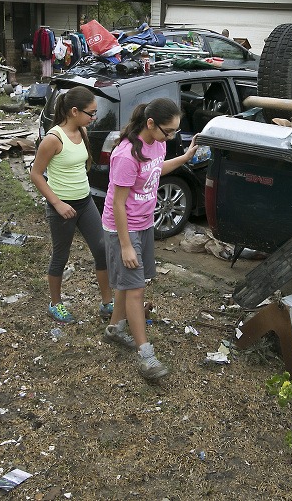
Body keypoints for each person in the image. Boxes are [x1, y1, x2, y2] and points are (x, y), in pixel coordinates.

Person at [101, 98, 198, 380]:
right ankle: (146, 356)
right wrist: (126, 245)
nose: (171, 136)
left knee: (129, 282)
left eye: (174, 132)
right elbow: (118, 204)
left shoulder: (158, 144)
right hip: (123, 227)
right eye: (167, 131)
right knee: (136, 290)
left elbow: (157, 170)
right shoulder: (126, 155)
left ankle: (115, 329)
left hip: (144, 223)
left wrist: (184, 158)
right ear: (151, 123)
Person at [29, 86, 114, 324]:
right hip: (62, 207)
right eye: (91, 113)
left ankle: (108, 303)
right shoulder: (53, 139)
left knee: (101, 249)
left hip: (85, 203)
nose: (94, 117)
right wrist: (57, 204)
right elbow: (35, 174)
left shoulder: (82, 131)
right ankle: (55, 304)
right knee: (61, 255)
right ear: (74, 111)